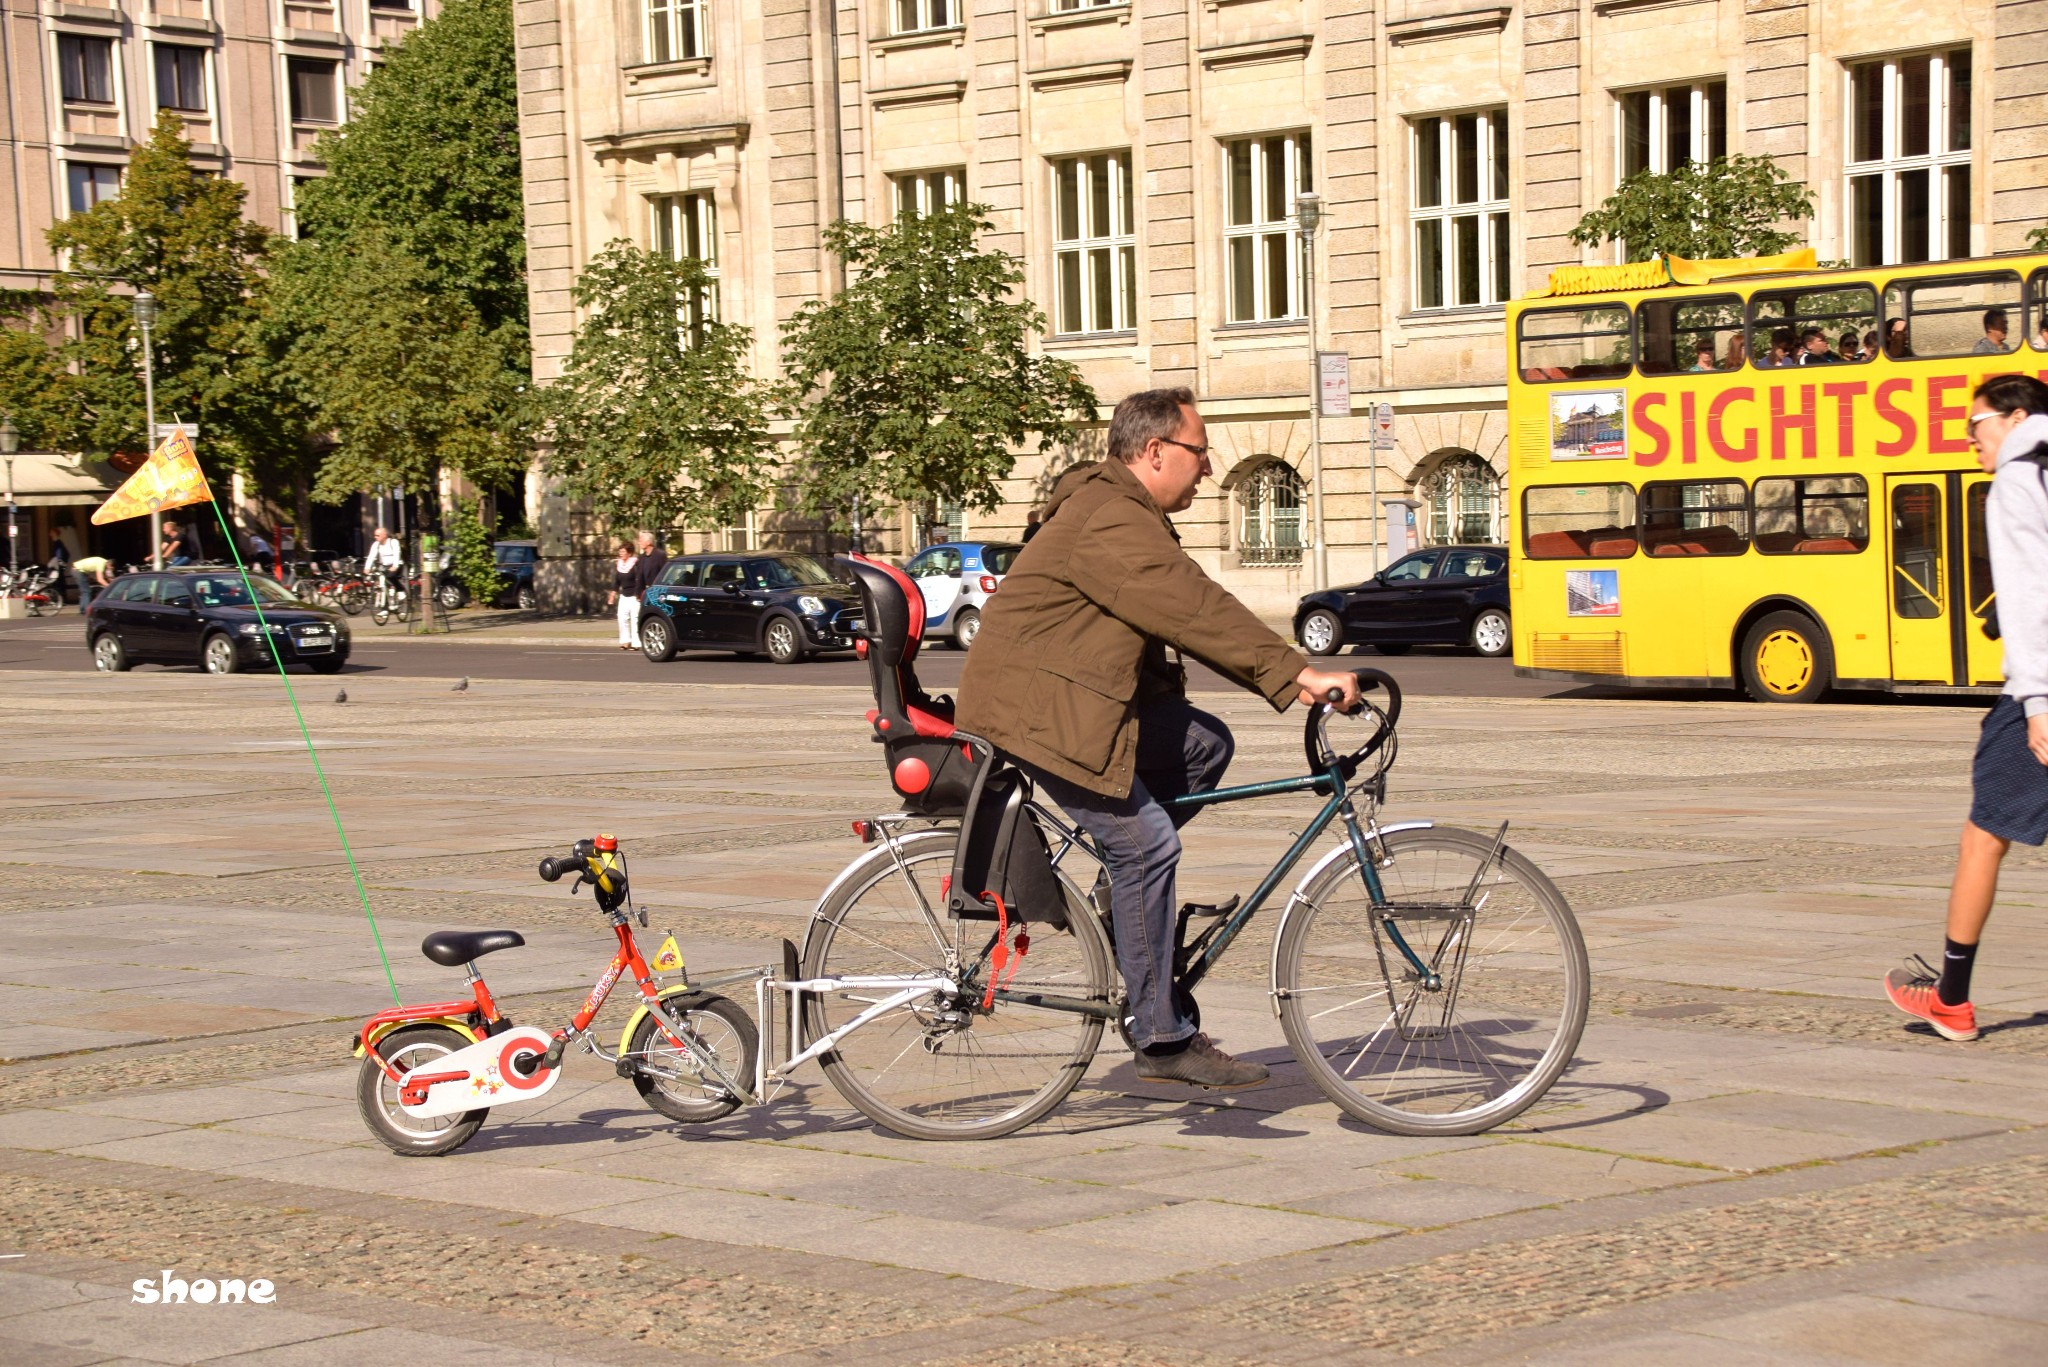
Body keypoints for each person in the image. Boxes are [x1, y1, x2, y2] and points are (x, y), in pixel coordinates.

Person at [956, 387, 1363, 1090]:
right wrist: (1296, 673)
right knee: (1148, 844)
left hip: (1063, 694)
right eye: (1199, 453)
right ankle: (1162, 1035)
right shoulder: (1111, 517)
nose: (1207, 469)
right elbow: (1189, 605)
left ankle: (1125, 899)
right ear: (1154, 452)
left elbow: (1151, 634)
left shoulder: (1120, 507)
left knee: (1202, 743)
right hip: (1037, 709)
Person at [1884, 373, 2048, 1041]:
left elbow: (2030, 593)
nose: (1969, 438)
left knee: (1984, 834)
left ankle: (1951, 997)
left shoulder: (2015, 479)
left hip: (2036, 691)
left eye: (1976, 423)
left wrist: (2037, 700)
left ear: (2013, 417)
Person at [608, 541, 641, 650]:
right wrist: (613, 594)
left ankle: (636, 643)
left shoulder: (635, 564)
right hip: (624, 596)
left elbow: (639, 580)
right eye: (620, 551)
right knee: (622, 618)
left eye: (623, 551)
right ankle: (625, 641)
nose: (621, 553)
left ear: (629, 553)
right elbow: (617, 582)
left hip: (634, 596)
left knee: (635, 619)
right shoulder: (619, 564)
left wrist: (639, 594)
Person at [364, 526, 404, 607]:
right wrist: (367, 567)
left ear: (384, 535)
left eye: (377, 535)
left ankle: (401, 591)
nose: (375, 537)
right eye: (375, 535)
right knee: (382, 584)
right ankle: (385, 609)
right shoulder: (376, 544)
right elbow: (371, 556)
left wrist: (395, 566)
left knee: (390, 577)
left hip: (396, 564)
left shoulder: (393, 542)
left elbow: (397, 554)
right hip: (385, 566)